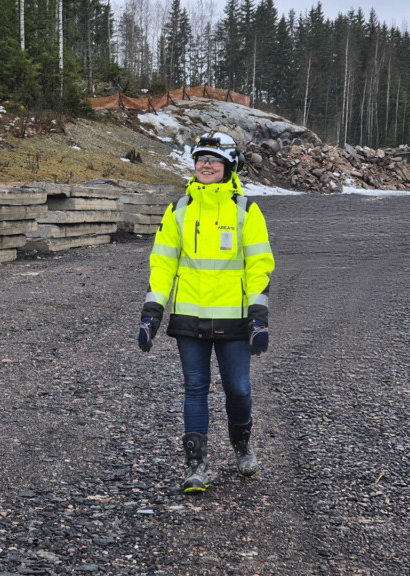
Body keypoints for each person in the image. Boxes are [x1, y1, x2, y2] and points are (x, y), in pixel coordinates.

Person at [137, 130, 275, 493]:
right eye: (201, 159)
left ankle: (241, 444)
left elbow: (258, 265)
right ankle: (195, 464)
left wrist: (259, 317)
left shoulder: (246, 211)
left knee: (238, 389)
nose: (206, 164)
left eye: (214, 160)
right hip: (189, 319)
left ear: (230, 167)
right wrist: (152, 311)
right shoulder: (179, 210)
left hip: (234, 319)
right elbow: (162, 264)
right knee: (195, 388)